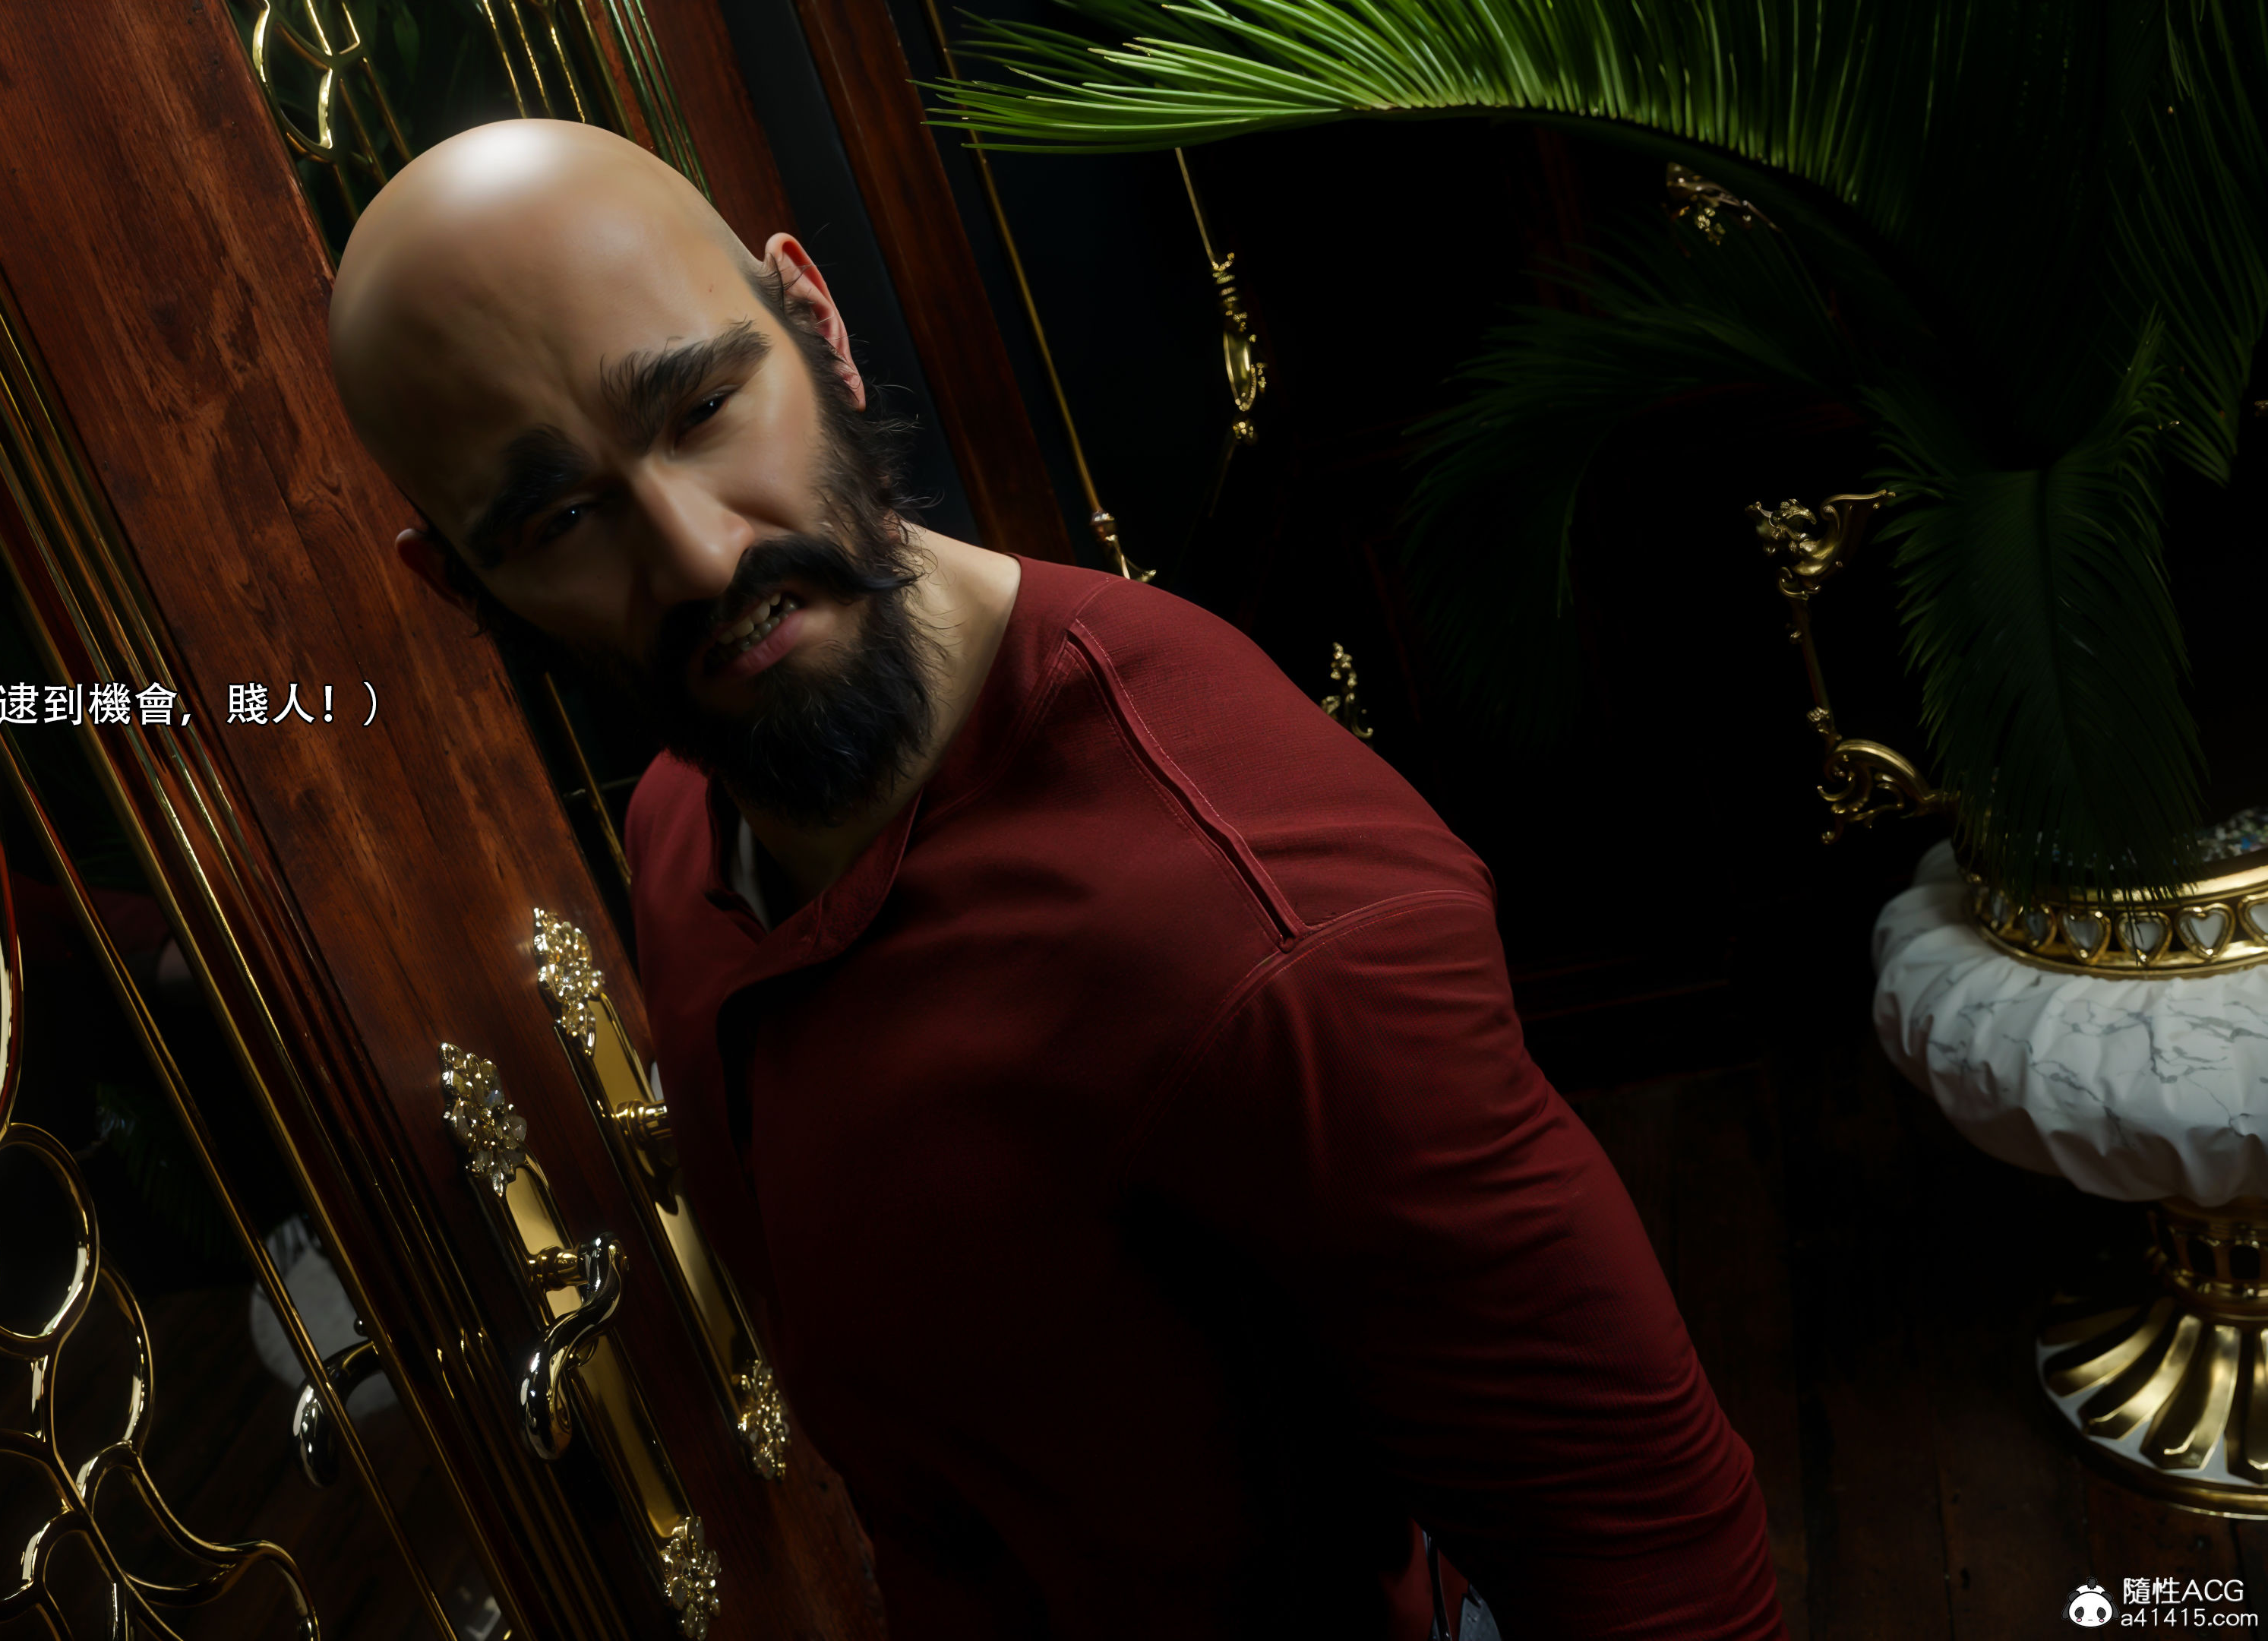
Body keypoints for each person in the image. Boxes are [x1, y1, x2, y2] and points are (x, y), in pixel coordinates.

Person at [327, 119, 1784, 1640]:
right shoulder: (684, 818)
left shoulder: (1266, 927)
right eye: (560, 519)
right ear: (464, 589)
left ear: (814, 321)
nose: (696, 558)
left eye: (701, 406)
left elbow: (1658, 1571)